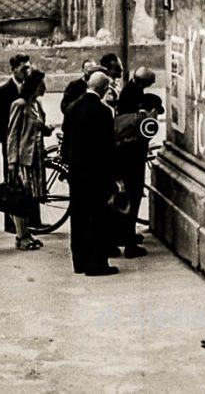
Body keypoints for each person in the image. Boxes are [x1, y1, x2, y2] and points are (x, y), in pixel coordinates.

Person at [62, 71, 119, 276]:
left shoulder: (72, 108)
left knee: (78, 217)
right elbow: (107, 148)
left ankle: (80, 261)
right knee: (97, 218)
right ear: (104, 89)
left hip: (77, 173)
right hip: (97, 174)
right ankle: (97, 264)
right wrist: (113, 177)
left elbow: (66, 142)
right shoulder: (103, 112)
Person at [0, 54, 32, 233]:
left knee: (29, 183)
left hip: (26, 145)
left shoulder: (29, 87)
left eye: (28, 67)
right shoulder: (4, 91)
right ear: (13, 70)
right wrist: (5, 139)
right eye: (23, 68)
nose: (27, 72)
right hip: (12, 145)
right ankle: (11, 223)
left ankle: (30, 221)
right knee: (12, 184)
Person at [114, 93, 165, 258]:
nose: (157, 116)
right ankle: (130, 246)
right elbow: (137, 145)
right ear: (152, 110)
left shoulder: (124, 118)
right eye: (157, 112)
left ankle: (113, 240)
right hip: (132, 169)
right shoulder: (148, 122)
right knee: (132, 205)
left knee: (117, 205)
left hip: (116, 168)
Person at [7, 69, 52, 250]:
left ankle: (25, 232)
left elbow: (37, 126)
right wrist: (12, 161)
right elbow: (13, 134)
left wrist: (45, 128)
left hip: (37, 156)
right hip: (24, 158)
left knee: (30, 196)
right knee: (21, 197)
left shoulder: (36, 104)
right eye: (42, 85)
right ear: (34, 86)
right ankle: (21, 235)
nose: (45, 88)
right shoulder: (19, 104)